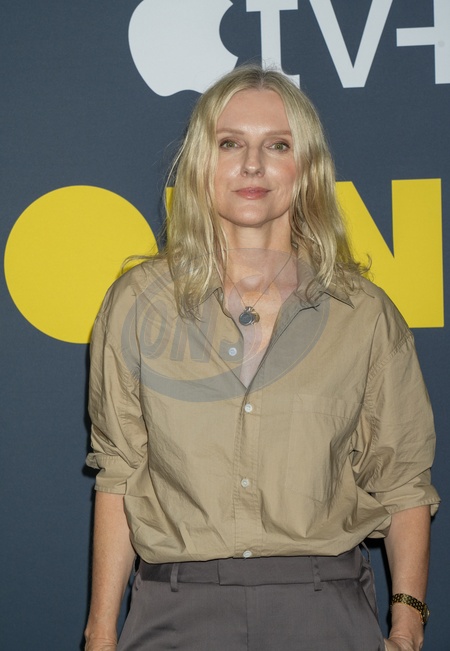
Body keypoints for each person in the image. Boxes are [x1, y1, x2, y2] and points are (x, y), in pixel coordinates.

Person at [84, 65, 439, 651]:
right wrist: (100, 636)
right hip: (176, 612)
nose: (252, 165)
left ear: (307, 168)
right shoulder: (137, 306)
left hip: (324, 613)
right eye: (230, 144)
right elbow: (120, 475)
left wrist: (407, 626)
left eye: (277, 145)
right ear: (202, 163)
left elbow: (404, 484)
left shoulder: (364, 315)